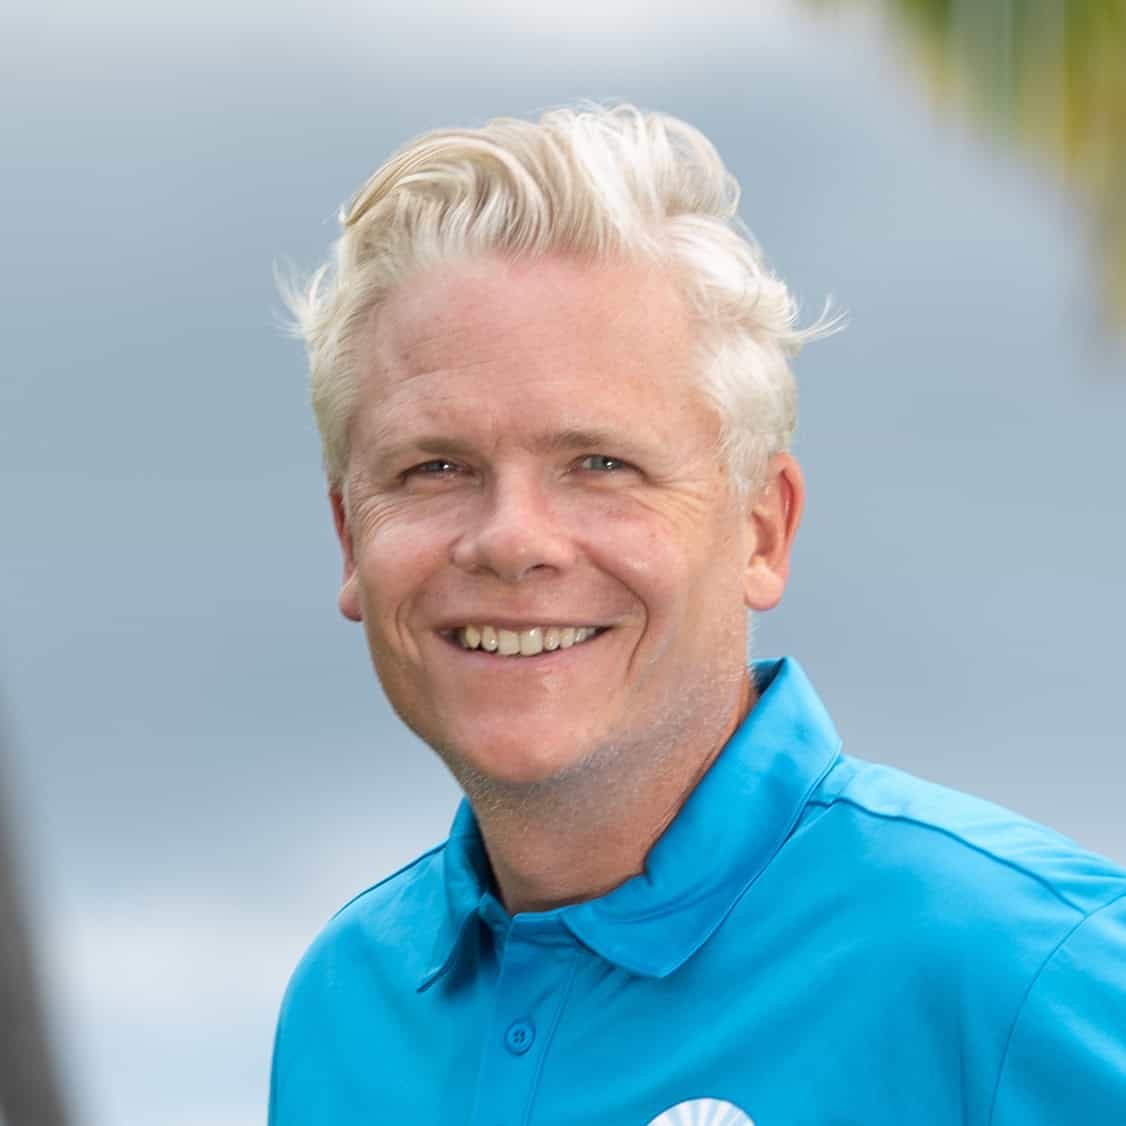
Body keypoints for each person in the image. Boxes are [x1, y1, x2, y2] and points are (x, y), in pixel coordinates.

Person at [268, 105, 1126, 1125]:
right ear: (347, 535)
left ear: (762, 530)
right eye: (434, 466)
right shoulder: (343, 1006)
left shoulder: (1026, 966)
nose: (511, 539)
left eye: (600, 464)